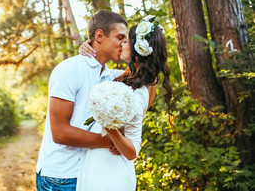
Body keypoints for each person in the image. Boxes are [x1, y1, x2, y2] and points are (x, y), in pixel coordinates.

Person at [76, 15, 172, 191]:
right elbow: (99, 70)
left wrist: (109, 125)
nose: (121, 43)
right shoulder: (123, 78)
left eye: (126, 40)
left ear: (138, 49)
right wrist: (86, 48)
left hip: (111, 173)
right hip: (96, 165)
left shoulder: (140, 92)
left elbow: (132, 151)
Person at [35, 10, 128, 191]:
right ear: (99, 36)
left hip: (91, 174)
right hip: (60, 178)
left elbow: (147, 74)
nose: (124, 44)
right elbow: (60, 133)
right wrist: (111, 141)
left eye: (126, 40)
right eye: (120, 38)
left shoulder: (111, 77)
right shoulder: (70, 70)